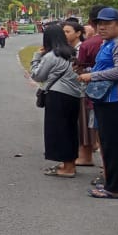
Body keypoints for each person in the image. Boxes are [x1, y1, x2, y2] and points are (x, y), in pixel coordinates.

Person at [78, 7, 118, 199]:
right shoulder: (107, 43)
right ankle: (111, 184)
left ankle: (116, 187)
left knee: (114, 144)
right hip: (104, 99)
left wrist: (92, 76)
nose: (102, 27)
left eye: (107, 24)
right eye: (99, 24)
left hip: (116, 100)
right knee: (108, 144)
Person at [31, 24, 83, 178]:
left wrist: (36, 57)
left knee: (59, 132)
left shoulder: (51, 56)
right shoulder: (71, 53)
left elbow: (37, 75)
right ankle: (70, 163)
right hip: (73, 96)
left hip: (58, 95)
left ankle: (68, 169)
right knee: (70, 130)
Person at [63, 18, 97, 168]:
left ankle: (86, 155)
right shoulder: (72, 48)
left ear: (78, 33)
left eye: (67, 31)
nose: (64, 34)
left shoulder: (82, 48)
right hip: (77, 89)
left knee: (85, 123)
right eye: (63, 31)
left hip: (84, 89)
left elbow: (83, 68)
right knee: (80, 123)